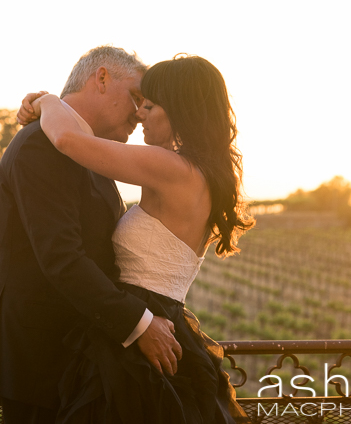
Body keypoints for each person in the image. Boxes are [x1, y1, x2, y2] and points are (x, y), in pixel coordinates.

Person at [19, 53, 254, 424]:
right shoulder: (199, 173)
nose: (140, 113)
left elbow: (67, 138)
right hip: (161, 316)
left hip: (142, 328)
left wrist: (48, 100)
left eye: (149, 104)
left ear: (178, 110)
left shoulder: (169, 167)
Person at [0, 46, 182, 424]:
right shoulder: (38, 146)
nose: (140, 112)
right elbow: (61, 257)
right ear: (103, 78)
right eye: (137, 97)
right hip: (37, 360)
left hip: (74, 356)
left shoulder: (91, 153)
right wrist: (139, 323)